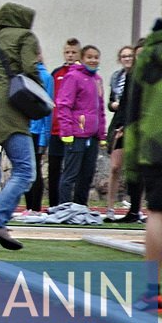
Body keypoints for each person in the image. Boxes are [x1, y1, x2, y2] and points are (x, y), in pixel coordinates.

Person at [122, 0, 162, 315]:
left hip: (158, 144)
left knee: (157, 214)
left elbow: (133, 111)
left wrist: (131, 165)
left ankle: (151, 292)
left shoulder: (148, 56)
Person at [0, 2, 43, 251]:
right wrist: (41, 98)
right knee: (25, 171)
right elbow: (29, 69)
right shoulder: (26, 36)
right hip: (8, 110)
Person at [55, 45, 106, 206]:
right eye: (89, 57)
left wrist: (102, 134)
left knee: (87, 175)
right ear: (82, 59)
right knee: (70, 174)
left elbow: (100, 108)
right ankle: (64, 206)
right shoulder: (73, 77)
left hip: (92, 136)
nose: (93, 60)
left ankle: (80, 207)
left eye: (96, 57)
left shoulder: (97, 80)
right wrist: (67, 131)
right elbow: (63, 104)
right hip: (76, 134)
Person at [46, 37, 81, 208]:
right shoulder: (56, 73)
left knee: (71, 171)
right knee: (54, 169)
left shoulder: (83, 74)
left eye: (74, 52)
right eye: (67, 52)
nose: (70, 55)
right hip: (55, 129)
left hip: (74, 131)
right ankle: (53, 206)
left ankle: (69, 204)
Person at [103, 45, 135, 217]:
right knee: (115, 166)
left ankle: (134, 205)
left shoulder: (137, 76)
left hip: (133, 123)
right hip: (119, 122)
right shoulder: (117, 77)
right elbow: (112, 102)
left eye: (130, 56)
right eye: (124, 56)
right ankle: (110, 206)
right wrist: (113, 106)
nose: (127, 59)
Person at [21, 54, 54, 218]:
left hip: (37, 130)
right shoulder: (22, 75)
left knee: (35, 169)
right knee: (25, 168)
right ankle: (28, 206)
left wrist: (45, 135)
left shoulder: (46, 77)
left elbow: (47, 107)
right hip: (24, 128)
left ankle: (35, 207)